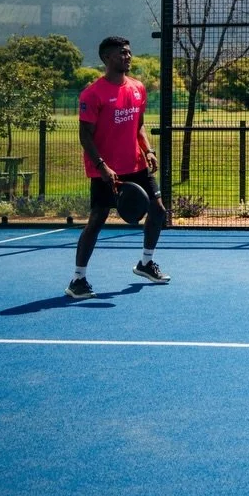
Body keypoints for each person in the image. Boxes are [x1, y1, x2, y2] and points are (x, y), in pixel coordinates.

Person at [65, 36, 169, 299]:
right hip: (106, 170)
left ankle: (145, 263)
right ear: (106, 58)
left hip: (135, 164)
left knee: (158, 210)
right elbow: (85, 135)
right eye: (122, 53)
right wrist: (102, 166)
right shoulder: (92, 94)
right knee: (97, 221)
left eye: (129, 52)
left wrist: (149, 151)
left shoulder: (137, 88)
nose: (128, 57)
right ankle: (78, 279)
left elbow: (139, 125)